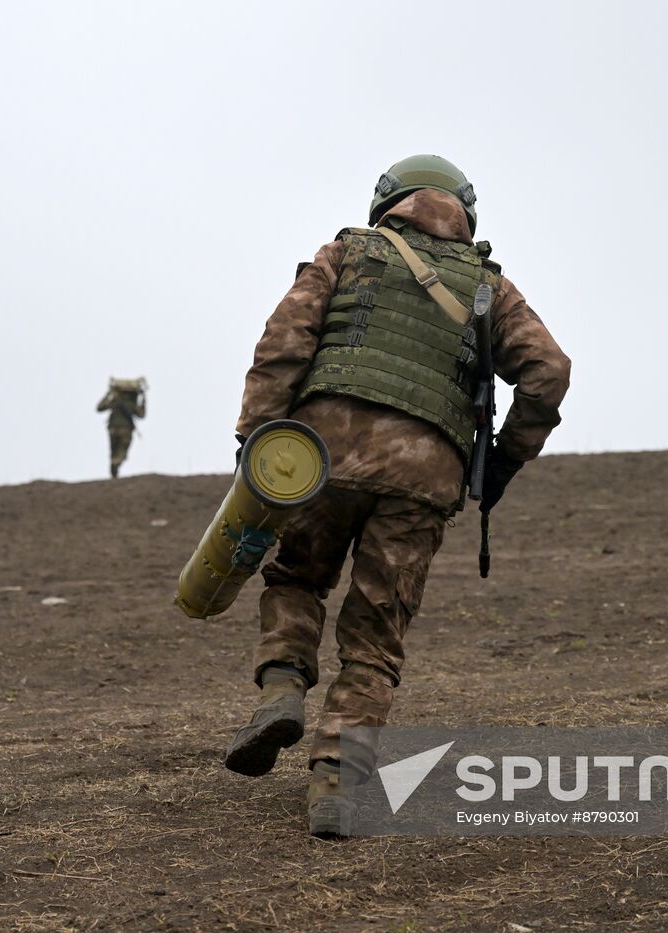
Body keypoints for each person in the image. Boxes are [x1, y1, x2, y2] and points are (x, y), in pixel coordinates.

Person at [224, 155, 571, 837]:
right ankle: (335, 782)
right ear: (465, 211)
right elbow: (549, 372)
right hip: (425, 478)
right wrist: (501, 461)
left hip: (324, 455)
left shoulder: (346, 254)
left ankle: (283, 687)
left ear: (389, 201)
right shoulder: (488, 288)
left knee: (297, 576)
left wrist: (257, 442)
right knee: (376, 634)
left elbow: (281, 345)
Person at [96, 378, 146, 478]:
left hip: (112, 429)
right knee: (122, 452)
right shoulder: (131, 404)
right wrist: (143, 399)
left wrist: (108, 394)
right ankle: (116, 464)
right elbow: (141, 414)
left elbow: (99, 408)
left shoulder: (115, 401)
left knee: (113, 451)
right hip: (126, 430)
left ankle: (114, 470)